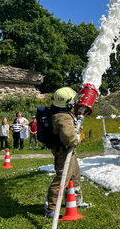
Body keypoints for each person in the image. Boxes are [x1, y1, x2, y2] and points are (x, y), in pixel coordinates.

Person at [44, 87, 88, 219]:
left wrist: (80, 114)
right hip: (64, 152)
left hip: (68, 151)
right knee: (62, 178)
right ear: (68, 102)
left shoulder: (61, 112)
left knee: (74, 175)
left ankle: (75, 201)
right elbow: (69, 139)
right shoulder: (62, 117)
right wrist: (78, 138)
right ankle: (51, 208)